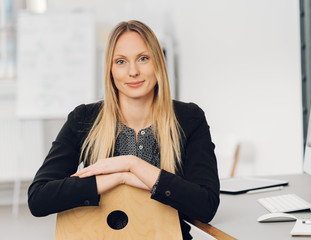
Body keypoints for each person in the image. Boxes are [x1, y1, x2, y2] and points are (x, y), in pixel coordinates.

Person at [28, 20, 220, 239]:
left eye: (143, 59)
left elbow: (206, 207)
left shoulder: (188, 118)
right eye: (121, 61)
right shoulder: (84, 119)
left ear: (158, 61)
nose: (133, 71)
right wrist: (119, 177)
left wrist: (132, 165)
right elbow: (39, 198)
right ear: (110, 70)